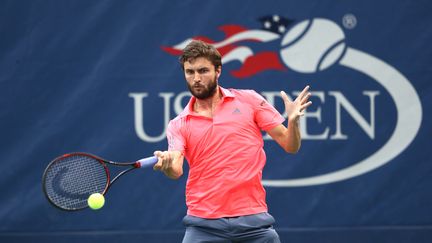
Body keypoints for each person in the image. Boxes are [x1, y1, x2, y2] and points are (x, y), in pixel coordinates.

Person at [153, 40, 312, 243]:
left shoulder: (249, 101)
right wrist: (166, 164)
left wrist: (293, 122)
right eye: (190, 72)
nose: (196, 79)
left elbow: (291, 146)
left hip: (254, 223)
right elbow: (175, 169)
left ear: (218, 71)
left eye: (203, 71)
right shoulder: (178, 124)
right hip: (203, 226)